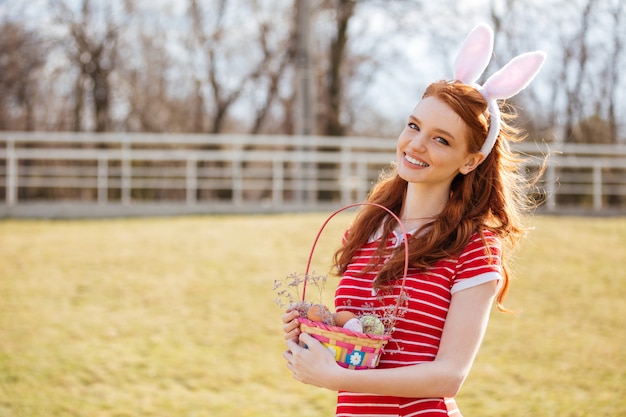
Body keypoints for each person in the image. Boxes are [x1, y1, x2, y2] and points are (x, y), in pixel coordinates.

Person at [281, 24, 546, 417]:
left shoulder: (474, 246)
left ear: (471, 160)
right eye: (414, 125)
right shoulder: (369, 228)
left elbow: (448, 376)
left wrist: (337, 379)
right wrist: (317, 330)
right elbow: (365, 338)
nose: (417, 144)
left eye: (442, 139)